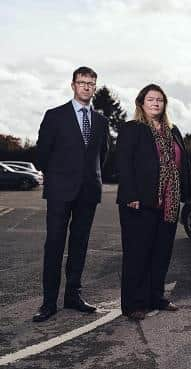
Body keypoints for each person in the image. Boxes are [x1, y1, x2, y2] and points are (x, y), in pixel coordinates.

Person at [33, 66, 109, 322]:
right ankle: (48, 302)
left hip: (88, 191)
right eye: (82, 82)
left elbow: (103, 155)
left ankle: (73, 296)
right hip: (59, 192)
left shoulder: (101, 121)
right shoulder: (55, 116)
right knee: (54, 244)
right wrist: (57, 177)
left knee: (79, 245)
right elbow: (42, 154)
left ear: (94, 87)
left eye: (91, 83)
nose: (86, 87)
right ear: (73, 85)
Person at [116, 84, 191, 320]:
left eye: (160, 100)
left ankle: (156, 297)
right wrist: (131, 196)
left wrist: (186, 195)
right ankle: (133, 304)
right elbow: (124, 164)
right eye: (151, 99)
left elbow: (183, 163)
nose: (156, 103)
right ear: (141, 103)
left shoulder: (173, 130)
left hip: (168, 203)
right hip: (139, 202)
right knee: (137, 254)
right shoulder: (132, 129)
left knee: (161, 253)